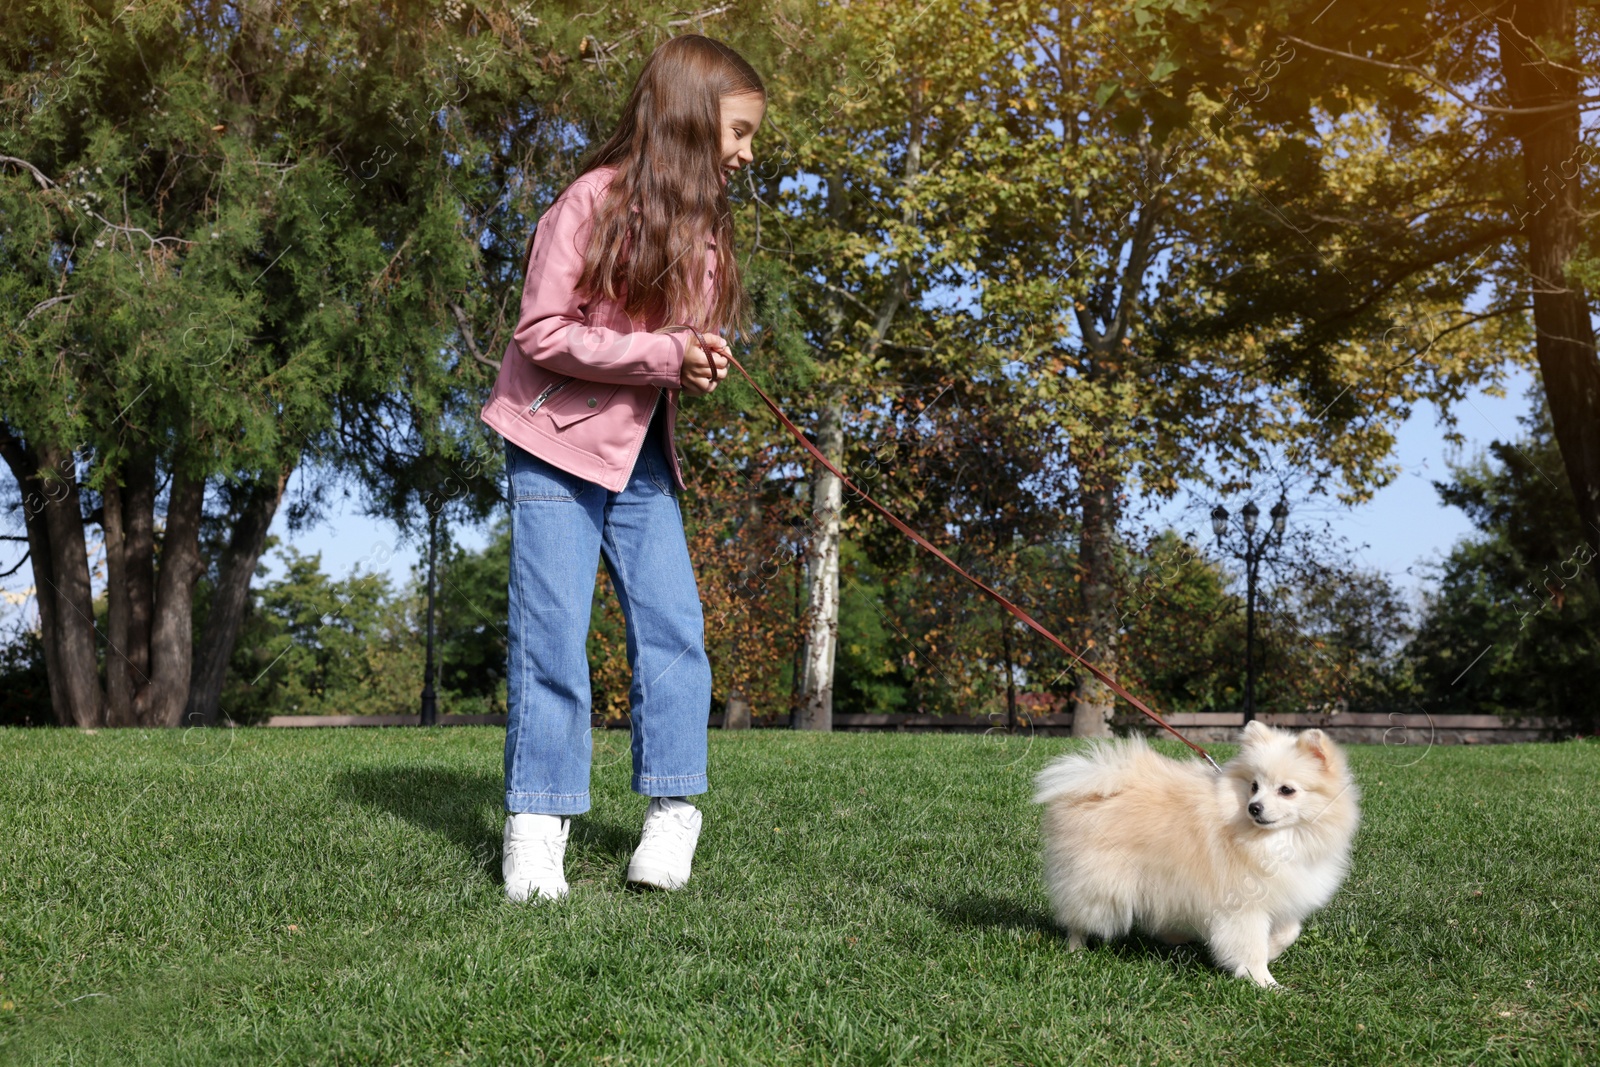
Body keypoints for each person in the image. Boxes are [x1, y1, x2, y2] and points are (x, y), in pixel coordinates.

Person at [478, 34, 766, 901]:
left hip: (641, 460)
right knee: (553, 638)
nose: (747, 155)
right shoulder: (588, 202)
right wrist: (662, 355)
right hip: (552, 447)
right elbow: (540, 334)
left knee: (677, 630)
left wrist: (698, 362)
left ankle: (673, 811)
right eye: (740, 132)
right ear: (687, 118)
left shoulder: (707, 235)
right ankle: (538, 821)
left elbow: (671, 355)